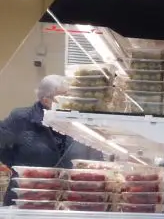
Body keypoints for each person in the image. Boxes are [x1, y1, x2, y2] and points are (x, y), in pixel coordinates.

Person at [0, 75, 95, 204]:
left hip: (66, 199)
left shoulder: (78, 121)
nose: (70, 102)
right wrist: (19, 167)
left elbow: (93, 152)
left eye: (70, 97)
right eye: (64, 98)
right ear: (45, 100)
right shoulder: (21, 118)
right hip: (27, 195)